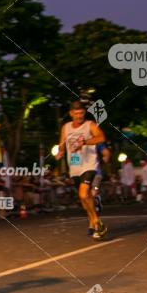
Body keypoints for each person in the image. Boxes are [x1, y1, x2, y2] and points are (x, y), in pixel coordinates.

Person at [56, 101, 107, 239]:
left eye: (82, 113)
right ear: (71, 113)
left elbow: (101, 137)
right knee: (84, 198)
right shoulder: (66, 127)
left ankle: (96, 222)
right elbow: (62, 143)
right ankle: (93, 220)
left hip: (89, 164)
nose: (79, 116)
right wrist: (60, 152)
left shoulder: (90, 125)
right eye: (77, 113)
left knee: (84, 194)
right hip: (75, 165)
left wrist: (85, 142)